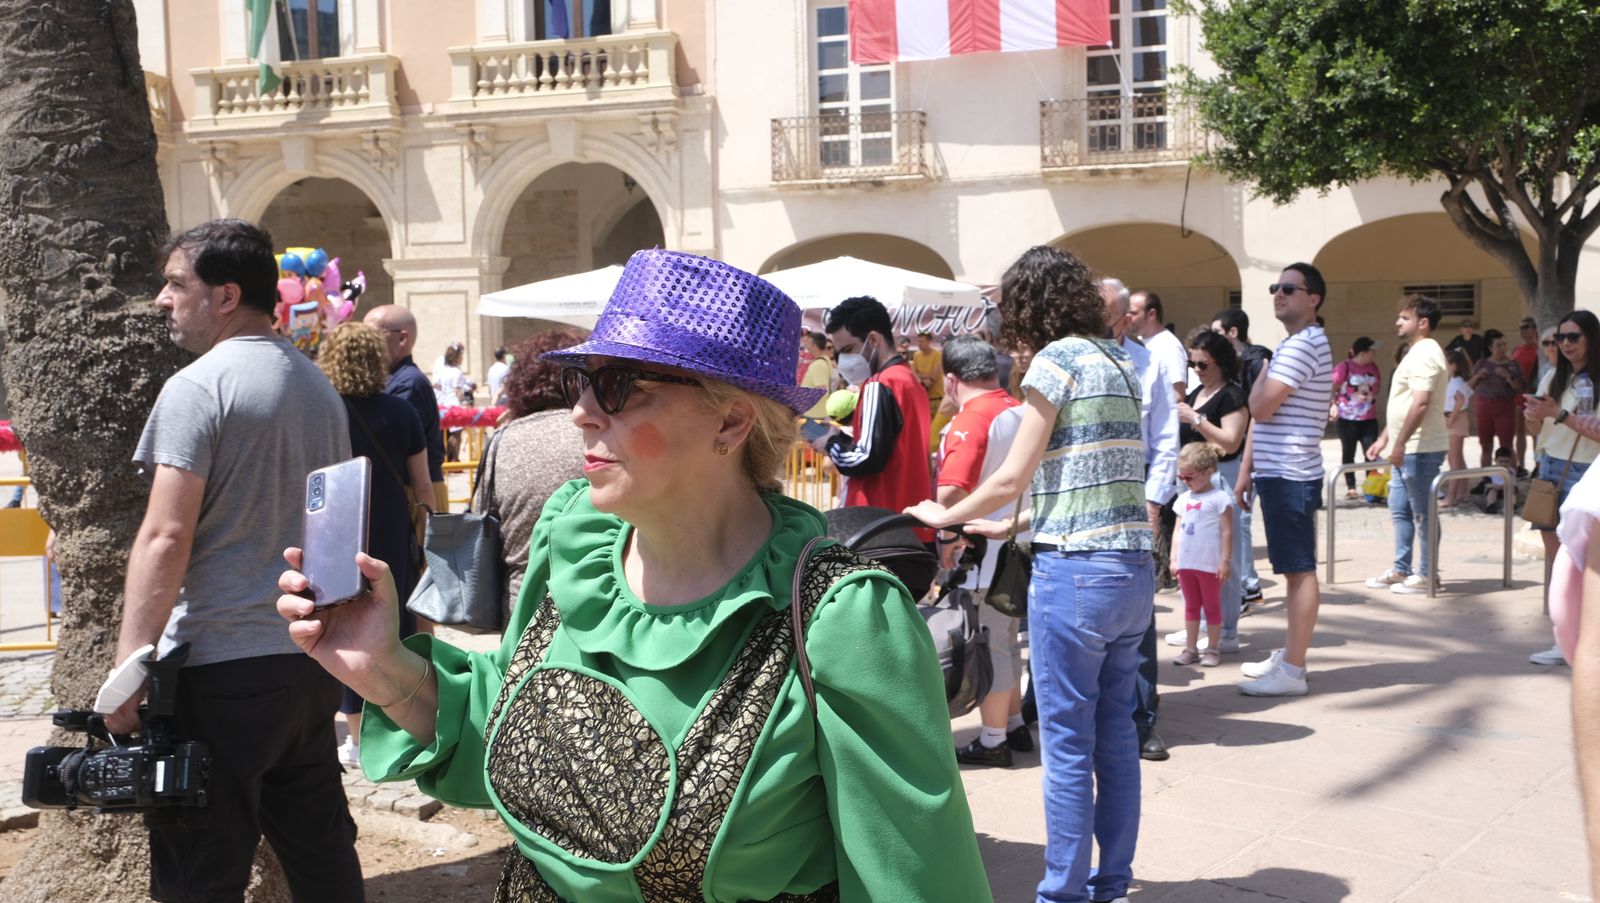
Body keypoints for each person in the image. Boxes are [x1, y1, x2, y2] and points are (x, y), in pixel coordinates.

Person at [275, 249, 991, 900]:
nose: (581, 412)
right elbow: (503, 724)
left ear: (732, 422)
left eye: (618, 386)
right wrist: (384, 667)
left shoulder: (843, 617)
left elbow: (920, 882)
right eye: (579, 379)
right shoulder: (576, 544)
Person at [109, 219, 363, 901]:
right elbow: (336, 530)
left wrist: (130, 662)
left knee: (199, 874)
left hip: (218, 667)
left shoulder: (197, 388)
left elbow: (166, 534)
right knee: (323, 859)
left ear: (224, 296)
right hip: (304, 663)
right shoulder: (318, 389)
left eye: (175, 283)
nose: (163, 298)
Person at [907, 245, 1152, 903]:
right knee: (1116, 733)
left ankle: (1062, 894)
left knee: (1067, 745)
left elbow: (1013, 473)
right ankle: (1111, 880)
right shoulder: (1120, 361)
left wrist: (945, 511)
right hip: (1130, 570)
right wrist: (1003, 524)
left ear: (1028, 306)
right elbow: (1087, 473)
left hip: (1075, 573)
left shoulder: (1055, 360)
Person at [318, 322, 434, 766]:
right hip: (391, 530)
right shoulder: (402, 412)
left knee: (344, 623)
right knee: (396, 624)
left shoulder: (327, 412)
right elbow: (423, 485)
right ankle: (404, 724)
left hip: (341, 532)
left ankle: (355, 736)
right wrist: (427, 540)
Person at [931, 336, 1033, 768]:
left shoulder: (971, 418)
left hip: (981, 549)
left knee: (989, 645)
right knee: (1006, 642)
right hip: (1019, 542)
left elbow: (951, 489)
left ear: (952, 380)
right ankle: (1011, 726)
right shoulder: (1022, 409)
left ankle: (993, 741)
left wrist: (946, 539)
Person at [1235, 263, 1334, 697]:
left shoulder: (1300, 347)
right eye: (1276, 287)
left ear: (1313, 299)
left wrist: (1261, 378)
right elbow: (1263, 411)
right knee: (1295, 570)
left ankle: (1293, 670)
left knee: (1298, 571)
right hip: (1281, 472)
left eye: (1289, 289)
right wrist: (1246, 471)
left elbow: (1259, 408)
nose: (1279, 294)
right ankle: (1291, 656)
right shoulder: (1296, 344)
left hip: (1290, 472)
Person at [472, 329, 587, 611]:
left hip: (521, 603)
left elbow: (481, 514)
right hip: (590, 598)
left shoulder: (503, 440)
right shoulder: (597, 433)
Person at [1105, 281, 1170, 760]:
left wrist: (1152, 503)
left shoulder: (1149, 364)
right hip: (1083, 498)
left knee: (1138, 614)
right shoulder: (1068, 357)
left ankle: (1142, 719)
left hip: (1136, 493)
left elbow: (1166, 436)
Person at [815, 296, 934, 542]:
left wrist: (829, 443)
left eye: (848, 350)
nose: (844, 360)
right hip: (912, 528)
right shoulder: (910, 382)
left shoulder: (879, 384)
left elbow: (865, 459)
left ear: (873, 340)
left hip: (876, 530)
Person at [1165, 329, 1250, 655]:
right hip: (1193, 484)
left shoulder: (1232, 396)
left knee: (1222, 560)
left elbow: (1230, 442)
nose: (1196, 369)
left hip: (1221, 480)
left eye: (1202, 363)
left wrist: (1195, 418)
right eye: (1192, 363)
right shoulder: (1199, 391)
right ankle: (1199, 625)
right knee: (1192, 556)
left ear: (1219, 362)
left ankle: (1226, 630)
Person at [1524, 309, 1600, 667]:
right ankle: (1566, 637)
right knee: (1560, 563)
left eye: (1574, 337)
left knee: (1586, 564)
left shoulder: (1595, 383)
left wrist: (1559, 415)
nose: (1565, 345)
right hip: (1549, 468)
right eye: (1559, 339)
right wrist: (1533, 419)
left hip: (1586, 473)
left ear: (1591, 339)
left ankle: (1587, 639)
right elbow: (1539, 432)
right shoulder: (1554, 377)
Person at [1365, 295, 1450, 594]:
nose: (1397, 322)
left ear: (1422, 323)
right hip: (1405, 447)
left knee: (1422, 512)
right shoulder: (1414, 352)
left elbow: (1422, 402)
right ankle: (1403, 570)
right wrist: (1385, 438)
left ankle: (1427, 575)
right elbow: (1403, 403)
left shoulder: (1427, 352)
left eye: (1404, 317)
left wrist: (1399, 443)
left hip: (1420, 448)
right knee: (1399, 509)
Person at [1210, 308, 1271, 605]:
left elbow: (1261, 412)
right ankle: (1247, 584)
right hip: (1239, 453)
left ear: (1233, 333)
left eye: (1218, 332)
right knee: (1236, 518)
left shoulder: (1256, 361)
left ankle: (1248, 586)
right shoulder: (1232, 364)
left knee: (1240, 518)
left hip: (1255, 451)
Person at [1129, 290, 1187, 590]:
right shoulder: (1142, 346)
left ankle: (1163, 577)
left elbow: (1176, 395)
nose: (1129, 318)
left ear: (1152, 313)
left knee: (1159, 524)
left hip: (1155, 454)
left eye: (1134, 312)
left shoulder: (1167, 347)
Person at [364, 304, 448, 511]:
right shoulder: (396, 379)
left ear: (402, 338)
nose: (365, 344)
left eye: (371, 335)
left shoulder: (409, 383)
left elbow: (397, 447)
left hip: (416, 497)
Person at [1171, 442, 1234, 669]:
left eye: (1189, 477)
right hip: (1187, 563)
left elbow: (1227, 531)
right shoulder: (1183, 499)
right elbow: (1177, 531)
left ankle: (1212, 648)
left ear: (1208, 472)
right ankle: (1191, 647)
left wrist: (1225, 561)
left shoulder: (1219, 499)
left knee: (1212, 606)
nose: (1185, 482)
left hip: (1209, 564)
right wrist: (1173, 559)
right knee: (1190, 606)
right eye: (1182, 477)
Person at [1331, 337, 1382, 500]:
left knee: (1371, 453)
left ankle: (1370, 486)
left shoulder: (1373, 367)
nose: (1375, 353)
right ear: (1363, 352)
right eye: (1372, 350)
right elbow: (1333, 386)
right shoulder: (1344, 367)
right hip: (1347, 419)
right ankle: (1351, 486)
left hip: (1368, 418)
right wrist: (1333, 404)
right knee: (1349, 452)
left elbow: (1377, 387)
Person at [1470, 328, 1525, 470]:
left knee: (1506, 445)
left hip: (1505, 407)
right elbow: (1469, 385)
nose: (1502, 348)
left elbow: (1520, 388)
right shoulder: (1482, 364)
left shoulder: (1513, 365)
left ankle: (1510, 481)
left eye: (1504, 344)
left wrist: (1508, 376)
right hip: (1484, 407)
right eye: (1498, 345)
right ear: (1490, 347)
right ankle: (1486, 479)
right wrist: (1478, 376)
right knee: (1485, 445)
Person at [1442, 349, 1475, 509]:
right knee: (1458, 458)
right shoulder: (1457, 381)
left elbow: (1460, 401)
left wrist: (1451, 420)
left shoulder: (1456, 382)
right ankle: (1463, 492)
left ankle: (1451, 496)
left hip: (1455, 418)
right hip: (1456, 418)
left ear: (1453, 366)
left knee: (1454, 459)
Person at [433, 342, 474, 462]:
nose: (462, 358)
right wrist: (464, 402)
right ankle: (453, 457)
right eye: (461, 356)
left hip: (443, 404)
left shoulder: (443, 370)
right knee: (456, 433)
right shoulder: (457, 372)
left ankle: (446, 457)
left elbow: (437, 385)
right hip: (454, 404)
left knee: (446, 433)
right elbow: (458, 390)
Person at [913, 330, 951, 449]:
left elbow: (932, 378)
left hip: (937, 399)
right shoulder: (916, 355)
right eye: (918, 341)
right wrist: (924, 377)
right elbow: (915, 375)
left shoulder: (937, 355)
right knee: (925, 433)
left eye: (922, 341)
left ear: (930, 341)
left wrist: (921, 376)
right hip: (923, 400)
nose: (919, 344)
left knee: (937, 434)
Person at [1513, 317, 1541, 473]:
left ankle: (1537, 465)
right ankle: (1521, 465)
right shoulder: (1516, 350)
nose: (1526, 330)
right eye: (1523, 327)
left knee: (1535, 432)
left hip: (1535, 395)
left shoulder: (1540, 349)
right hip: (1519, 395)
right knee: (1519, 431)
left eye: (1530, 326)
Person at [797, 330, 835, 442]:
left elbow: (822, 390)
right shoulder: (825, 361)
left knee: (815, 449)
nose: (806, 345)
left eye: (809, 342)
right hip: (817, 415)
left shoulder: (818, 364)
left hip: (814, 417)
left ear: (814, 345)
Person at [1482, 446, 1515, 515]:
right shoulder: (1490, 471)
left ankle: (1510, 505)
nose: (1503, 464)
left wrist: (1504, 486)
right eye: (1501, 461)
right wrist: (1494, 486)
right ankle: (1490, 505)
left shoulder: (1511, 471)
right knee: (1492, 491)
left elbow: (1513, 483)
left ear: (1510, 461)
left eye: (1506, 462)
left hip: (1506, 489)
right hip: (1493, 488)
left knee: (1513, 491)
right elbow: (1486, 484)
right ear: (1495, 460)